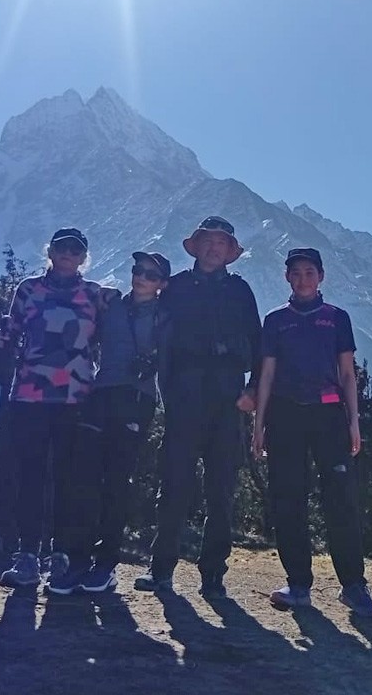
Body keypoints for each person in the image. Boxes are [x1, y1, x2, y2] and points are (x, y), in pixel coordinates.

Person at [251, 248, 372, 619]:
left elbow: (347, 374)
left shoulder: (337, 318)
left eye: (310, 272)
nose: (303, 278)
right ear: (287, 278)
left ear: (321, 276)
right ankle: (298, 584)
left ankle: (354, 586)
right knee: (288, 500)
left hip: (329, 416)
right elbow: (267, 376)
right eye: (296, 272)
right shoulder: (275, 321)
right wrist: (258, 425)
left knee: (342, 499)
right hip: (285, 416)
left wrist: (353, 421)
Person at [134, 216, 260, 598]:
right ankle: (161, 571)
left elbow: (258, 345)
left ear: (229, 251)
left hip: (227, 398)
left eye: (221, 242)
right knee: (174, 485)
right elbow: (159, 338)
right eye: (208, 240)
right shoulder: (175, 289)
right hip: (185, 397)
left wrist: (253, 390)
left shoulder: (241, 292)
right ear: (198, 244)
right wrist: (167, 392)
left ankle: (213, 578)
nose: (214, 247)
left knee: (221, 490)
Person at [45, 251, 172, 595]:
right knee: (83, 477)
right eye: (137, 270)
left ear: (162, 284)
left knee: (117, 480)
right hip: (100, 395)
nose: (141, 277)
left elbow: (175, 354)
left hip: (137, 400)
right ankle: (76, 561)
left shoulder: (165, 316)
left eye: (150, 274)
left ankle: (106, 565)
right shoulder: (111, 303)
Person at [0, 227, 102, 588]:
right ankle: (27, 555)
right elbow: (11, 330)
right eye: (62, 248)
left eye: (76, 249)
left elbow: (106, 339)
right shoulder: (27, 290)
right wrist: (0, 336)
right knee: (30, 476)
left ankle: (59, 555)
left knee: (67, 480)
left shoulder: (94, 295)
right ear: (51, 252)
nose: (68, 254)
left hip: (75, 399)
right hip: (29, 396)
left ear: (83, 256)